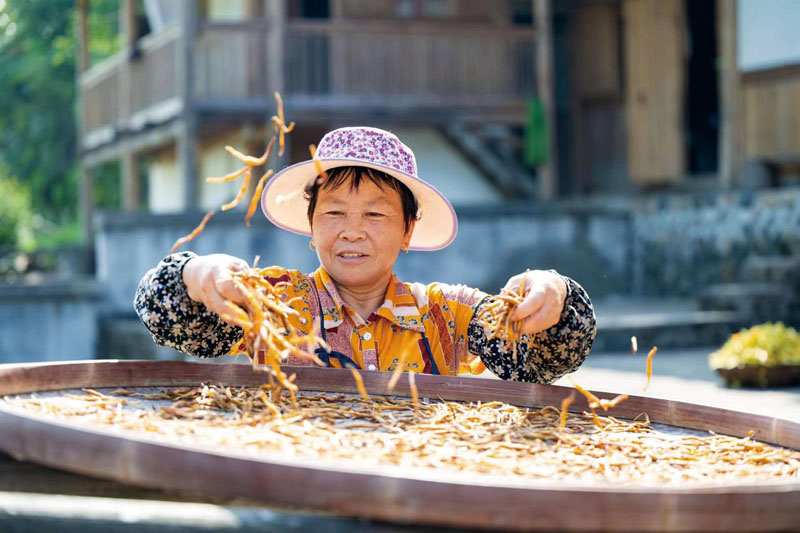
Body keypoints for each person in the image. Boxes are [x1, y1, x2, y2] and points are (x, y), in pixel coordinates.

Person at [135, 127, 595, 382]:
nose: (352, 232)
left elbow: (540, 360)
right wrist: (197, 275)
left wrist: (553, 295)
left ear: (407, 231)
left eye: (375, 216)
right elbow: (167, 316)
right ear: (311, 228)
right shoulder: (272, 304)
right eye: (334, 212)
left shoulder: (447, 315)